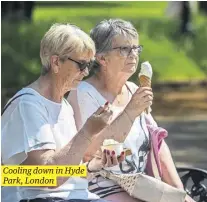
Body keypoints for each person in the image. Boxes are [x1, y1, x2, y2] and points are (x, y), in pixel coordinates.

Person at [67, 19, 195, 202]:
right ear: (101, 58)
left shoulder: (134, 89)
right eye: (124, 49)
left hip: (143, 186)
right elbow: (87, 152)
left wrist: (179, 193)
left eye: (136, 48)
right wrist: (130, 112)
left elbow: (157, 145)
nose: (133, 54)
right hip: (100, 187)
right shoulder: (82, 94)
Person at [1, 23, 123, 202]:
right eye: (81, 64)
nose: (86, 72)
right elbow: (47, 177)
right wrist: (87, 132)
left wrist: (97, 165)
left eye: (89, 65)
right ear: (56, 62)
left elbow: (67, 174)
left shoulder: (64, 106)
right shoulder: (28, 105)